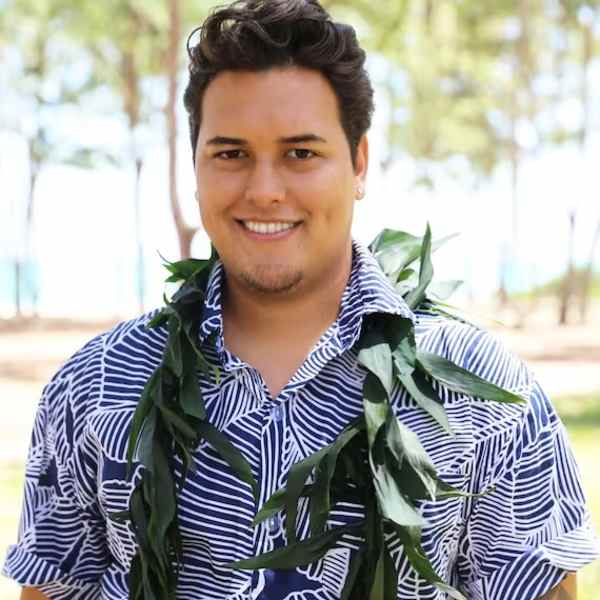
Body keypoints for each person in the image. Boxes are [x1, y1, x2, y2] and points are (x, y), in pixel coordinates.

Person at [5, 1, 599, 599]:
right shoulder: (93, 387)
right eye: (231, 154)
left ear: (359, 163)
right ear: (196, 165)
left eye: (301, 153)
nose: (265, 191)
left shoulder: (481, 391)